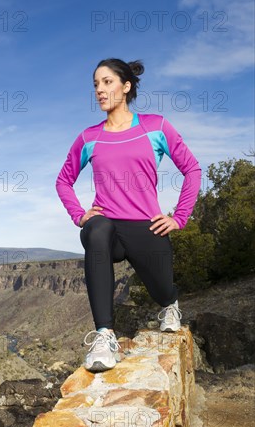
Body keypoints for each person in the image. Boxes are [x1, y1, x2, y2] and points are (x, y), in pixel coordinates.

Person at [55, 58, 202, 372]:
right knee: (96, 232)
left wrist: (179, 217)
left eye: (107, 82)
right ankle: (104, 336)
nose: (99, 90)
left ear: (126, 86)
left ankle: (169, 305)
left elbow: (192, 169)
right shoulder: (88, 137)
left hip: (146, 226)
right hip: (107, 225)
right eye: (96, 84)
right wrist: (80, 214)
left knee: (162, 290)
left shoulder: (156, 127)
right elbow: (63, 180)